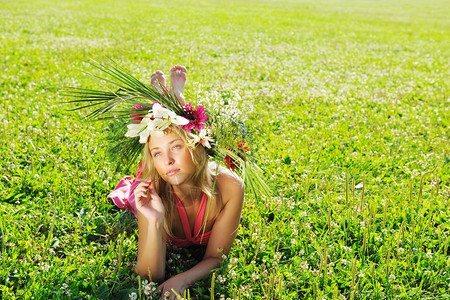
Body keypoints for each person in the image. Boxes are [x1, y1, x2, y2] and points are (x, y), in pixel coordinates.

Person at [109, 67, 244, 298]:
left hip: (202, 165)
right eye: (157, 153)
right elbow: (149, 276)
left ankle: (173, 100)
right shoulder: (152, 192)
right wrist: (154, 220)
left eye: (177, 147)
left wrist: (183, 278)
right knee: (161, 138)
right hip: (156, 182)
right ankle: (164, 100)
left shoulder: (230, 186)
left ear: (196, 146)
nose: (168, 161)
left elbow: (216, 257)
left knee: (178, 126)